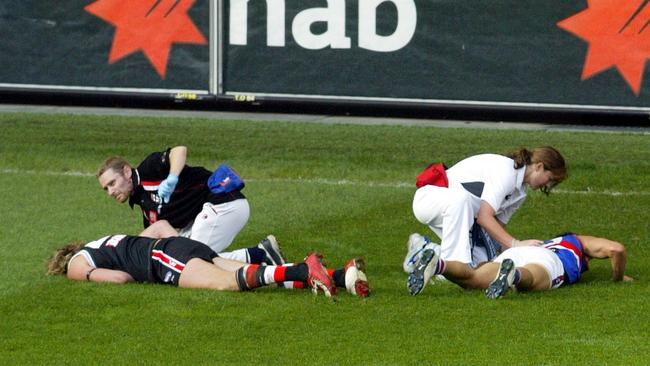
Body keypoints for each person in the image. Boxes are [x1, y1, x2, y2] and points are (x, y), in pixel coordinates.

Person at [406, 146, 567, 293]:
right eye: (550, 178)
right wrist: (515, 243)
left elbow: (496, 227)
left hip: (458, 214)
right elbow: (484, 217)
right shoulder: (507, 171)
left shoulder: (520, 193)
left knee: (481, 269)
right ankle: (445, 261)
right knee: (462, 201)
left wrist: (516, 252)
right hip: (429, 200)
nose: (548, 185)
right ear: (539, 166)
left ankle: (425, 251)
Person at [46, 234, 370, 298]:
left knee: (226, 284)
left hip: (162, 260)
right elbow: (158, 228)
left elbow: (117, 279)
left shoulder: (77, 265)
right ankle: (343, 277)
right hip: (178, 245)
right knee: (234, 273)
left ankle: (302, 269)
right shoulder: (101, 241)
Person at [96, 146, 249, 255]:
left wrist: (172, 177)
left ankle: (259, 256)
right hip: (209, 213)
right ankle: (258, 254)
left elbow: (179, 150)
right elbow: (153, 238)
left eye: (112, 183)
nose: (110, 192)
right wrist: (120, 252)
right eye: (106, 189)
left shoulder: (148, 169)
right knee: (177, 256)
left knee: (191, 258)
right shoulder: (143, 204)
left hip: (224, 203)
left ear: (127, 171)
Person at [406, 232, 632, 297]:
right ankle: (513, 276)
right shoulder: (576, 242)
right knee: (532, 280)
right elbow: (617, 249)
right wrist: (618, 277)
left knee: (473, 280)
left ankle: (439, 265)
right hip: (550, 262)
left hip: (517, 251)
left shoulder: (550, 241)